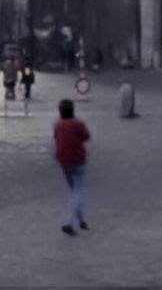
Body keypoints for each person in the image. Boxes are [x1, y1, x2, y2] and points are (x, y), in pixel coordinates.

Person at [54, 99, 91, 236]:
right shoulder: (78, 124)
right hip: (77, 160)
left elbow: (56, 138)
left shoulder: (58, 125)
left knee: (74, 190)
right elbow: (86, 136)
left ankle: (81, 220)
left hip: (63, 161)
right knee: (78, 191)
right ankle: (70, 223)